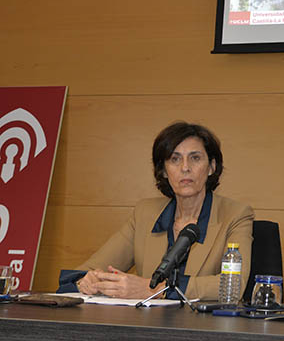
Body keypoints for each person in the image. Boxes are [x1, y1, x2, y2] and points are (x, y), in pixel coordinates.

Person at [58, 122, 254, 300]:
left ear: (211, 166)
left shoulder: (235, 215)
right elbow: (86, 271)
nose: (185, 168)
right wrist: (86, 281)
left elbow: (233, 286)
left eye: (195, 158)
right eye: (174, 159)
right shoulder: (145, 213)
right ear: (163, 171)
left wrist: (156, 290)